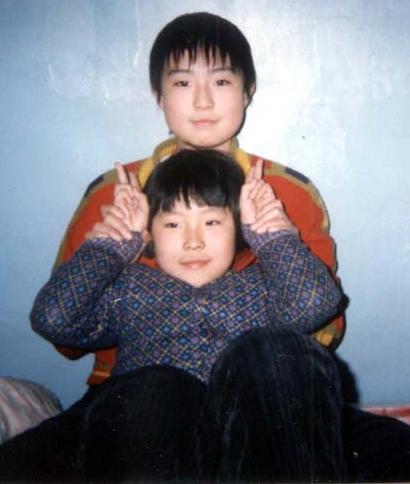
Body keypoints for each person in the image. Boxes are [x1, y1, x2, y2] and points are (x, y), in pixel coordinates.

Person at [0, 12, 410, 482]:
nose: (202, 102)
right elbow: (65, 332)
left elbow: (320, 327)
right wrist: (111, 248)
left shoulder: (286, 192)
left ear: (247, 90)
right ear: (158, 94)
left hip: (265, 402)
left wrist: (272, 241)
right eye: (181, 83)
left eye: (220, 82)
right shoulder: (114, 194)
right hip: (134, 406)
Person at [31, 149, 346, 481]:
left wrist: (272, 236)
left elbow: (315, 303)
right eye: (172, 223)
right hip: (153, 436)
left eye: (211, 222)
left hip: (247, 437)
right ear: (149, 235)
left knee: (277, 350)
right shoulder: (129, 288)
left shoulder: (264, 285)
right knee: (155, 387)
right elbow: (55, 318)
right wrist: (111, 246)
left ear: (239, 230)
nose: (192, 241)